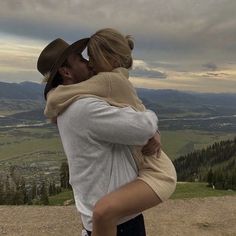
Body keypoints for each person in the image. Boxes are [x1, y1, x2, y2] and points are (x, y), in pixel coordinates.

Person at [43, 28, 177, 236]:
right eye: (80, 59)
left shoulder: (72, 103)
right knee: (104, 212)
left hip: (112, 218)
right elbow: (144, 127)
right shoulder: (83, 108)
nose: (88, 62)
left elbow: (143, 128)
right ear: (66, 72)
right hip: (118, 223)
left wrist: (151, 129)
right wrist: (152, 124)